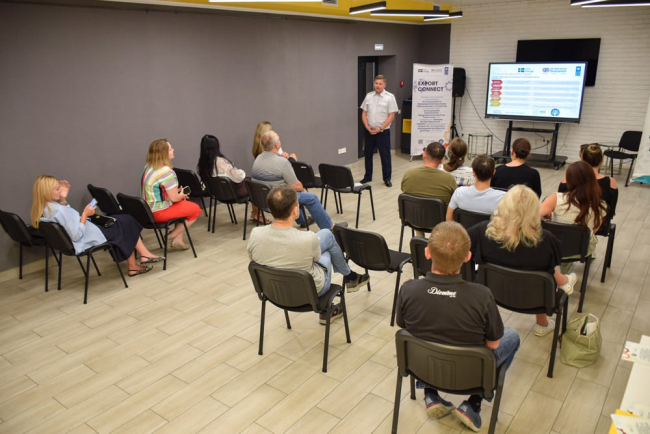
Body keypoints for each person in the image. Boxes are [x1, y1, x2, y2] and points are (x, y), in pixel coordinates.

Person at [396, 221, 519, 432]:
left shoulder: (408, 289)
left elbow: (404, 326)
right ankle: (473, 403)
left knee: (427, 334)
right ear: (468, 257)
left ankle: (430, 394)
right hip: (470, 374)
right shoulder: (482, 296)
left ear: (427, 252)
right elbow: (492, 344)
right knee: (512, 335)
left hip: (421, 367)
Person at [247, 186, 370, 323]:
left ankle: (346, 284)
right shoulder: (307, 239)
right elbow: (316, 259)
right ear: (295, 211)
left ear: (270, 209)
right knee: (327, 245)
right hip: (310, 292)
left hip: (273, 292)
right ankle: (348, 280)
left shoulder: (255, 234)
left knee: (325, 236)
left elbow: (255, 260)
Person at [468, 185, 577, 337]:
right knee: (545, 269)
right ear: (534, 210)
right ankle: (543, 323)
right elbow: (552, 266)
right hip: (537, 299)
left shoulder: (483, 230)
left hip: (493, 292)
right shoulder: (546, 239)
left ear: (504, 205)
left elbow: (459, 247)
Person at [31, 175, 163, 277]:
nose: (60, 190)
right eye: (57, 189)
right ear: (46, 192)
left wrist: (63, 200)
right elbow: (76, 235)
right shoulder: (59, 211)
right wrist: (85, 214)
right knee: (126, 221)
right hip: (89, 237)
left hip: (87, 232)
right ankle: (139, 260)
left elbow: (68, 221)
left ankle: (139, 260)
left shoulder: (47, 209)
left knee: (123, 221)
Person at [252, 131, 333, 230]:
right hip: (278, 200)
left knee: (292, 192)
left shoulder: (258, 159)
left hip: (262, 201)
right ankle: (329, 227)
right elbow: (296, 186)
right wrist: (303, 190)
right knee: (312, 198)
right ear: (277, 145)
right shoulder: (282, 162)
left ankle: (303, 220)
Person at [541, 161, 607, 267]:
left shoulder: (556, 198)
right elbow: (593, 230)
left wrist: (548, 219)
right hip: (581, 250)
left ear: (569, 180)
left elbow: (531, 217)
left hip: (553, 248)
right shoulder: (600, 205)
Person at [142, 139, 201, 250]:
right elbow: (174, 198)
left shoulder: (148, 167)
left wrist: (177, 193)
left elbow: (158, 190)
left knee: (183, 205)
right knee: (196, 209)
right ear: (164, 153)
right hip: (159, 212)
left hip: (147, 210)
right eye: (170, 149)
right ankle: (172, 235)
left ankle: (178, 240)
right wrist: (181, 195)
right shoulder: (166, 172)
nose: (173, 150)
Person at [558, 143, 618, 234]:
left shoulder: (568, 179)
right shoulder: (611, 182)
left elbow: (560, 202)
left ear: (582, 160)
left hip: (569, 222)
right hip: (599, 224)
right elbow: (611, 210)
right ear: (601, 160)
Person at [360, 74, 399, 187]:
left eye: (380, 84)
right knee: (368, 154)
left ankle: (387, 179)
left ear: (384, 85)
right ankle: (368, 176)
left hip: (383, 132)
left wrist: (380, 128)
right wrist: (367, 127)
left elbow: (391, 116)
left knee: (385, 156)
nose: (377, 85)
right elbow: (364, 113)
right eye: (376, 83)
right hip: (369, 131)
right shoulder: (369, 96)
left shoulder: (389, 97)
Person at [446, 154, 506, 221]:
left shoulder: (459, 192)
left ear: (473, 173)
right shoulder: (503, 198)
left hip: (463, 228)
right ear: (494, 172)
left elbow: (449, 219)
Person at [401, 142, 457, 207]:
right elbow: (455, 199)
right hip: (438, 213)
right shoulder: (449, 179)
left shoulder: (409, 174)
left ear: (424, 155)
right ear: (442, 160)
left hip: (412, 213)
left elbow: (404, 190)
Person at [197, 134, 249, 199]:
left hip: (216, 194)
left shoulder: (202, 163)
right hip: (231, 194)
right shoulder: (221, 162)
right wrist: (242, 172)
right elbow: (238, 177)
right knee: (252, 184)